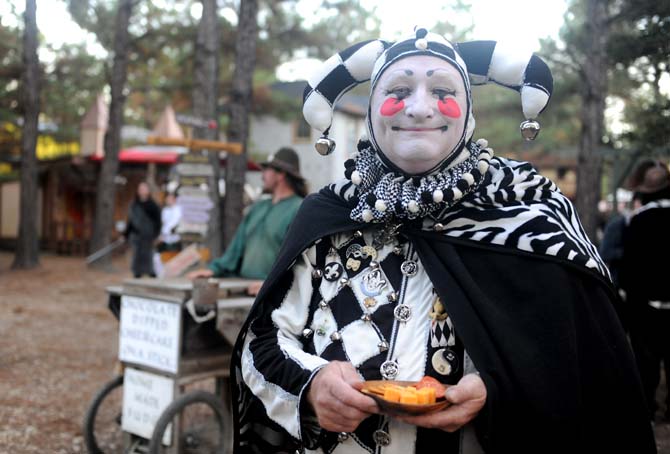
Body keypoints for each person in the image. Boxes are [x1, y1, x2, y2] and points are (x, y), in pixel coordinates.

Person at [230, 29, 655, 454]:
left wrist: (496, 390)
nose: (418, 108)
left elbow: (585, 360)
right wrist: (311, 384)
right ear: (373, 109)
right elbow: (263, 340)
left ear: (468, 113)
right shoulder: (328, 213)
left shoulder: (530, 214)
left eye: (441, 89)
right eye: (398, 90)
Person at [187, 147, 307, 294]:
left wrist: (273, 284)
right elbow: (236, 248)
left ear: (281, 174)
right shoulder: (258, 208)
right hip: (243, 287)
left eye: (267, 170)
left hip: (277, 295)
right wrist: (213, 270)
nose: (262, 175)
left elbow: (298, 260)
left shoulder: (299, 209)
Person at [621, 159, 670, 421]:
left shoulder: (640, 221)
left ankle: (648, 409)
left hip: (645, 305)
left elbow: (631, 267)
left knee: (646, 360)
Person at [124, 181, 161, 278]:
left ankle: (151, 272)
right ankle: (137, 272)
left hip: (149, 235)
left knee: (149, 254)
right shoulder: (134, 205)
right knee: (137, 255)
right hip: (136, 235)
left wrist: (156, 234)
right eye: (140, 189)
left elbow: (158, 221)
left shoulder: (153, 205)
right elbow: (131, 221)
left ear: (148, 191)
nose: (142, 191)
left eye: (144, 188)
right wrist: (126, 234)